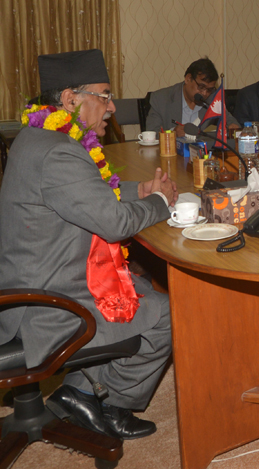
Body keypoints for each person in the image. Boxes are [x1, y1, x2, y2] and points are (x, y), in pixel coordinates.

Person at [0, 49, 177, 440]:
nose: (112, 106)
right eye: (104, 95)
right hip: (43, 307)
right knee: (165, 313)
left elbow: (89, 193)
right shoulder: (59, 153)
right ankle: (111, 403)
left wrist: (140, 189)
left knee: (139, 286)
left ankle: (77, 393)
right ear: (69, 100)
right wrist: (159, 202)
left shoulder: (39, 138)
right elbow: (114, 224)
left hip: (37, 280)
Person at [145, 57, 239, 136]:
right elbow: (152, 135)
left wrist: (233, 127)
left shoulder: (213, 98)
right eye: (201, 87)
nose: (205, 93)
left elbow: (229, 120)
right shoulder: (161, 98)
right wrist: (172, 134)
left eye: (209, 89)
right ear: (188, 79)